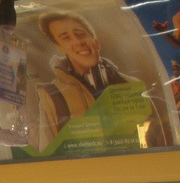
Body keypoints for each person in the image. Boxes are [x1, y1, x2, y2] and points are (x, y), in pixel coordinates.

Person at [35, 11, 130, 147]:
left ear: (96, 42)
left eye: (80, 34)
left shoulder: (131, 84)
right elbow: (47, 151)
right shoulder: (51, 95)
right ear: (59, 48)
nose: (78, 42)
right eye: (66, 38)